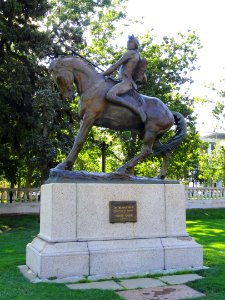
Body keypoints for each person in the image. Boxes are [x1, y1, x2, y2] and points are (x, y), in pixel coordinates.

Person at [101, 35, 147, 123]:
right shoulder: (138, 55)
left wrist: (102, 74)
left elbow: (115, 65)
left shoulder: (130, 53)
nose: (127, 44)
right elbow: (144, 77)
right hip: (122, 81)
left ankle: (137, 109)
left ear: (135, 44)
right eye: (127, 42)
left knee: (110, 95)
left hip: (126, 82)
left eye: (130, 42)